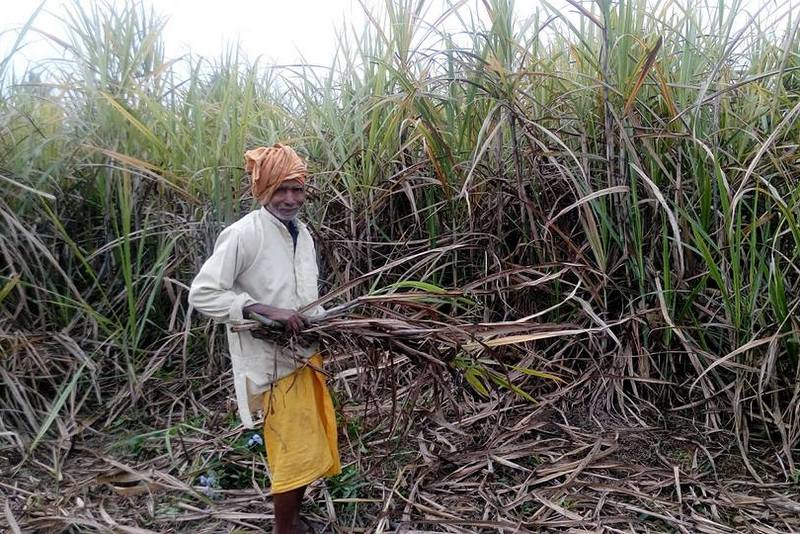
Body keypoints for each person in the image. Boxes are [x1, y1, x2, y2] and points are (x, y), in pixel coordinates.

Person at [188, 144, 340, 534]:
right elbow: (203, 293)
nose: (290, 199)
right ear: (263, 191)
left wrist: (326, 322)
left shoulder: (301, 234)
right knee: (293, 451)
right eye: (280, 190)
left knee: (307, 447)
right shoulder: (243, 235)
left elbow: (304, 296)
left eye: (297, 189)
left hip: (305, 354)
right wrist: (260, 308)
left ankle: (290, 520)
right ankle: (283, 529)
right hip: (271, 365)